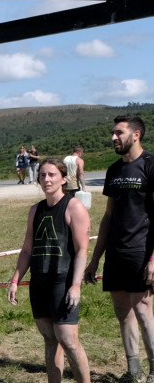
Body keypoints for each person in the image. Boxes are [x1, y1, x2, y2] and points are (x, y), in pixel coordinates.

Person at [7, 158, 91, 383]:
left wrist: (75, 286)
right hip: (39, 282)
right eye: (42, 175)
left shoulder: (74, 207)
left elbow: (82, 250)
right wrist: (16, 279)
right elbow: (27, 249)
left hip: (62, 281)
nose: (46, 179)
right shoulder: (36, 210)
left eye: (52, 175)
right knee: (49, 338)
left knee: (69, 340)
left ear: (64, 179)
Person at [84, 115, 154, 382]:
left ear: (136, 135)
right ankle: (133, 370)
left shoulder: (150, 164)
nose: (113, 137)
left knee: (144, 310)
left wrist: (153, 259)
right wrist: (95, 260)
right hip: (116, 252)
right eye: (112, 132)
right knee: (122, 312)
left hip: (141, 251)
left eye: (119, 132)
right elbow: (108, 217)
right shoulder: (113, 170)